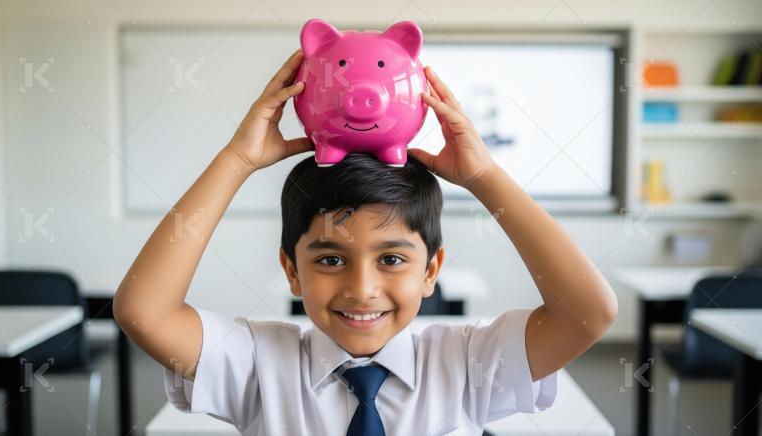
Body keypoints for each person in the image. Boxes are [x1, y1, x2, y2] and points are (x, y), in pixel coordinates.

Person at [113, 48, 618, 435]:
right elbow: (144, 311)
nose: (362, 288)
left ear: (431, 270)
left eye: (392, 258)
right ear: (292, 270)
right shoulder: (254, 364)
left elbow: (588, 313)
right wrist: (237, 160)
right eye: (330, 258)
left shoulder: (467, 363)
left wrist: (484, 175)